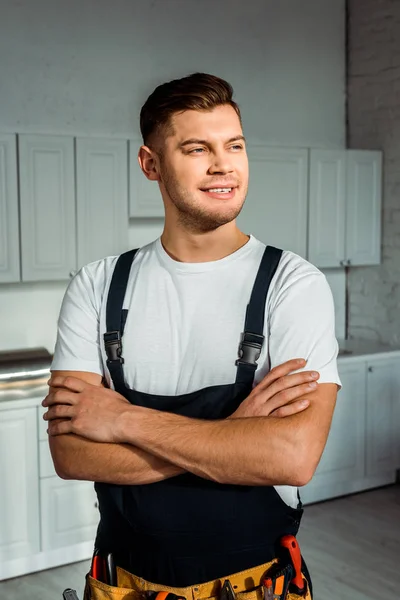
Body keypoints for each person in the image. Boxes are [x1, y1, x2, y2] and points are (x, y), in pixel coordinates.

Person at [43, 73, 341, 600]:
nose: (223, 164)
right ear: (150, 164)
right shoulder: (97, 285)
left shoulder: (292, 285)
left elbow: (292, 457)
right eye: (197, 148)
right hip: (121, 586)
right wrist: (233, 434)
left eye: (235, 145)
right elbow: (71, 453)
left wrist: (121, 420)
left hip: (255, 587)